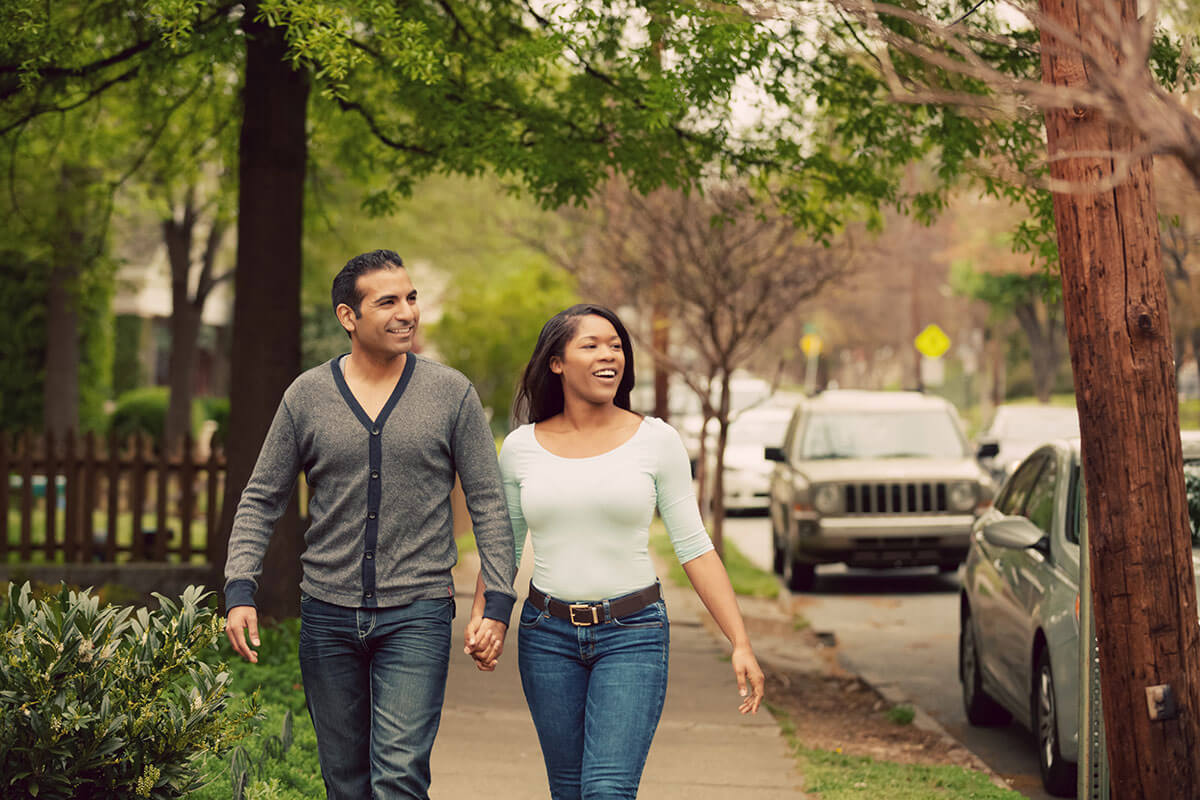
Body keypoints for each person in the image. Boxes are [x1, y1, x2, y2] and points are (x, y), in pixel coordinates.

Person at [223, 249, 516, 800]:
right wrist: (240, 587)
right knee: (345, 783)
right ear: (348, 317)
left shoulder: (451, 393)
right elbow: (262, 497)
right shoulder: (306, 396)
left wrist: (497, 603)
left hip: (417, 613)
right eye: (388, 302)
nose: (407, 312)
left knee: (399, 777)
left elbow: (489, 504)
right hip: (327, 616)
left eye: (411, 298)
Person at [475, 302, 766, 800]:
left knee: (607, 791)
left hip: (632, 635)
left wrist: (739, 640)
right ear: (557, 362)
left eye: (615, 346)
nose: (609, 355)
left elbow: (694, 546)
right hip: (547, 636)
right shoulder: (521, 447)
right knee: (568, 791)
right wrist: (488, 616)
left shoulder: (655, 441)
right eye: (590, 345)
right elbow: (505, 546)